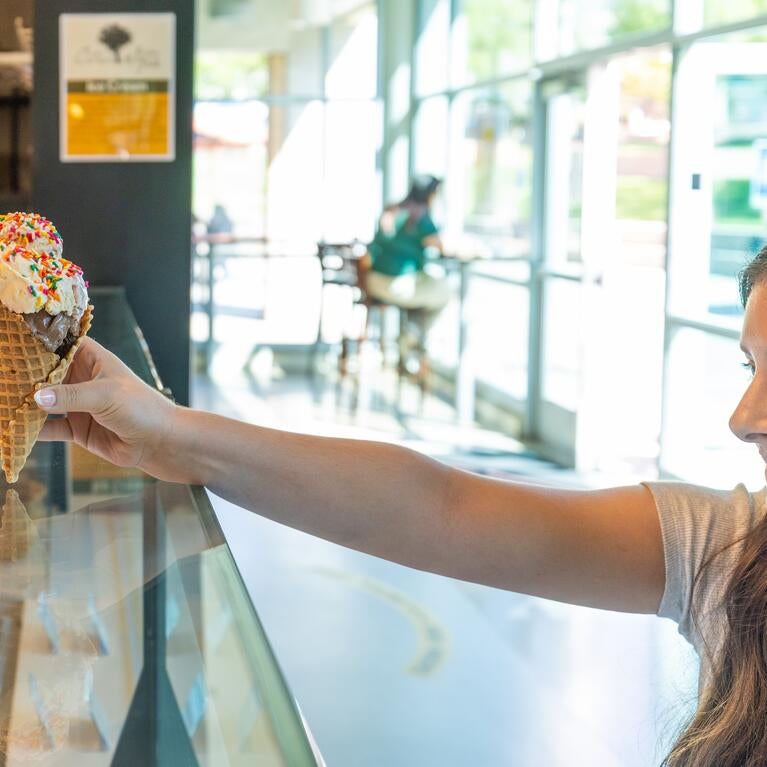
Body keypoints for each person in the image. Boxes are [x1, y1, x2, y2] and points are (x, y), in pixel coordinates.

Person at [32, 246, 767, 764]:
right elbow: (441, 508)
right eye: (749, 368)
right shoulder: (729, 547)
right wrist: (169, 435)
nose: (742, 415)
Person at [365, 175, 452, 358]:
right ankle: (412, 335)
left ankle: (411, 332)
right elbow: (440, 245)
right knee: (445, 292)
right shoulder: (420, 217)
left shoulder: (392, 210)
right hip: (397, 286)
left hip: (372, 280)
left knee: (427, 287)